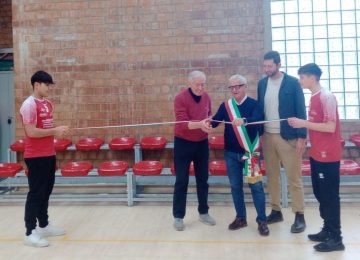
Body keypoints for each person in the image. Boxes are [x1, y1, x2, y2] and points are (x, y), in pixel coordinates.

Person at [288, 63, 345, 252]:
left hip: (328, 155)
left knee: (329, 196)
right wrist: (305, 138)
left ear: (312, 78)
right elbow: (315, 125)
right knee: (321, 194)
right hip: (317, 153)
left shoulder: (327, 97)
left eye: (302, 77)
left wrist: (302, 123)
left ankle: (336, 238)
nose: (300, 80)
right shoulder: (313, 97)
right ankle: (327, 230)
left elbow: (330, 126)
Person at [211, 74, 269, 236]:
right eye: (232, 87)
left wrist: (244, 120)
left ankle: (262, 221)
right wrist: (206, 123)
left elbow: (257, 118)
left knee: (256, 187)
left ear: (245, 87)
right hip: (230, 153)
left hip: (250, 154)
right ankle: (241, 218)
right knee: (235, 186)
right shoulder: (226, 106)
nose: (235, 90)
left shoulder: (254, 104)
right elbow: (215, 121)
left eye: (238, 86)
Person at [257, 50, 307, 233]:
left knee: (294, 178)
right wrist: (259, 134)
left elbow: (301, 110)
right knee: (272, 178)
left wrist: (302, 136)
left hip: (289, 137)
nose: (266, 69)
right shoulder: (262, 84)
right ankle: (276, 210)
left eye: (269, 66)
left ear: (279, 65)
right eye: (264, 66)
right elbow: (260, 110)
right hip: (268, 137)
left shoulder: (293, 83)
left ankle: (299, 215)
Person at [20, 71, 69, 247]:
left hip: (49, 154)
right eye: (47, 85)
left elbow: (46, 129)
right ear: (37, 84)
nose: (49, 88)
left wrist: (57, 132)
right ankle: (29, 232)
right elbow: (31, 132)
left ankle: (44, 225)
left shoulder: (48, 104)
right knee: (36, 193)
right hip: (35, 156)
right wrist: (55, 131)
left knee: (46, 192)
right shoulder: (29, 105)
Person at [172, 70, 215, 231]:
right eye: (197, 84)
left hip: (202, 143)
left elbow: (209, 115)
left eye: (203, 84)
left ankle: (203, 212)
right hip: (183, 143)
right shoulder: (180, 98)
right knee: (181, 180)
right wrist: (201, 124)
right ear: (189, 83)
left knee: (203, 179)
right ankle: (178, 216)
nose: (200, 87)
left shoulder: (207, 97)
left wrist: (209, 124)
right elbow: (183, 123)